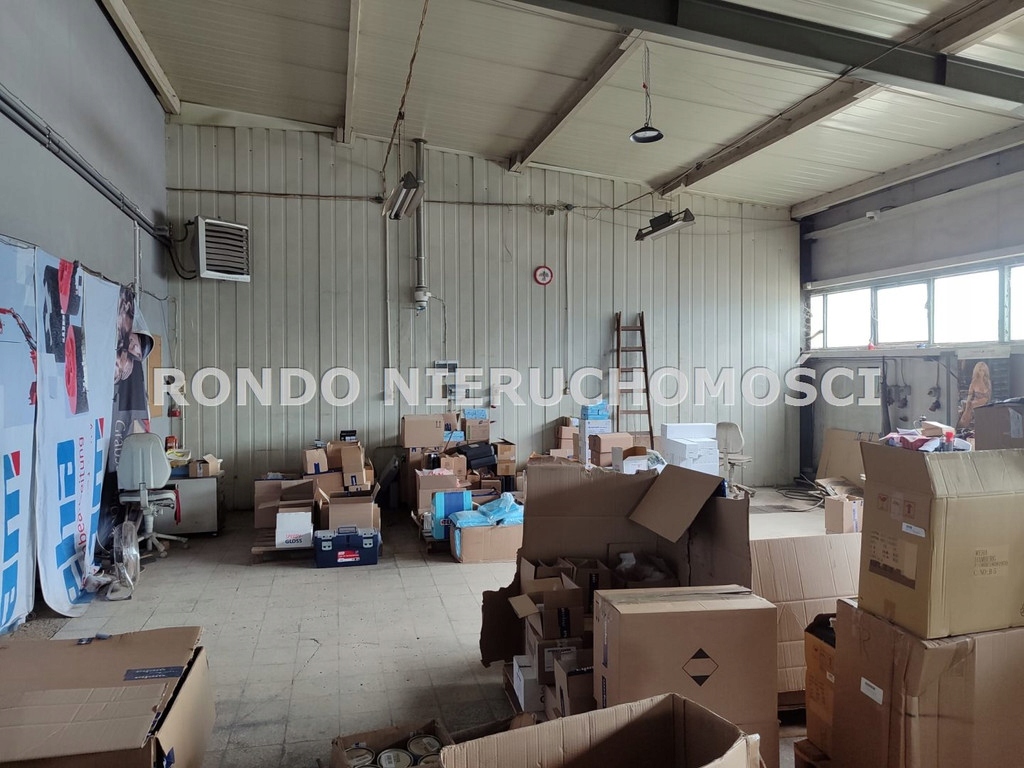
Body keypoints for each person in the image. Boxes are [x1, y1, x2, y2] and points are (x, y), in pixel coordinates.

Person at [958, 361, 992, 429]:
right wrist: (967, 408)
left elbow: (988, 397)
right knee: (969, 406)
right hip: (974, 406)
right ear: (977, 371)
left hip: (985, 407)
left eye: (983, 370)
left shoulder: (988, 383)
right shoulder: (974, 382)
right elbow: (969, 397)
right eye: (980, 370)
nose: (982, 372)